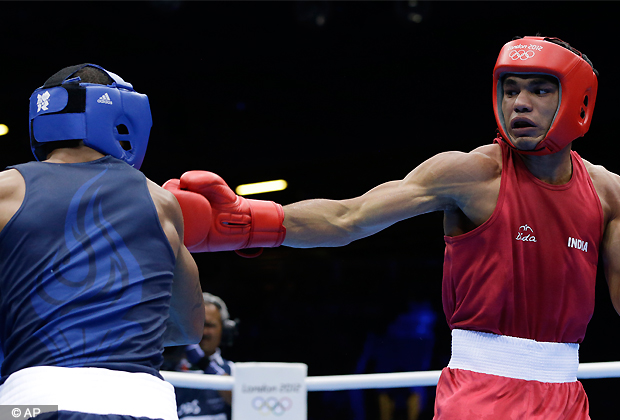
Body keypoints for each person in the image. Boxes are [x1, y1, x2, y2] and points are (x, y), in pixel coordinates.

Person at [164, 36, 620, 419]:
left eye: (539, 89)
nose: (519, 102)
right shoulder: (472, 174)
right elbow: (349, 216)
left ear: (578, 100)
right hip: (483, 391)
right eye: (510, 88)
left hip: (567, 394)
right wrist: (250, 221)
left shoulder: (607, 193)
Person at [0, 64, 205, 420]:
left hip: (32, 401)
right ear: (121, 114)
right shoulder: (161, 203)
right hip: (145, 404)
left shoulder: (6, 191)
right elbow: (189, 326)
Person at [174, 293, 237, 420]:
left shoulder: (232, 369)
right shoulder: (169, 367)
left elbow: (242, 404)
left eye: (209, 325)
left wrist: (204, 363)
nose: (203, 332)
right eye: (197, 324)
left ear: (224, 330)